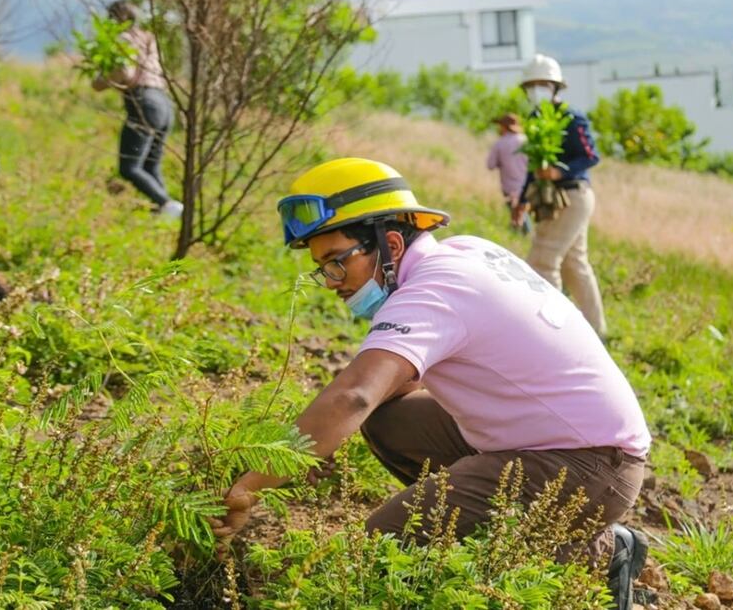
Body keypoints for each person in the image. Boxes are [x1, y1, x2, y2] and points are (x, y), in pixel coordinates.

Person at [212, 157, 652, 609]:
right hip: (562, 442)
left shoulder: (433, 291)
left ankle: (572, 548)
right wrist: (319, 444)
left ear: (392, 243)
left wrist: (251, 484)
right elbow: (377, 395)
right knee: (389, 421)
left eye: (337, 263)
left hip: (589, 466)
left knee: (376, 552)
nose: (331, 283)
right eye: (323, 269)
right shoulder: (465, 252)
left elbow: (355, 395)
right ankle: (596, 547)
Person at [513, 53, 607, 338]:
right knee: (574, 263)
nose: (537, 91)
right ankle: (595, 333)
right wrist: (523, 199)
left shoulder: (572, 117)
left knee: (543, 261)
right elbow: (533, 165)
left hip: (573, 196)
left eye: (544, 85)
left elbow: (591, 156)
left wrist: (559, 171)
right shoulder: (535, 119)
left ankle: (556, 336)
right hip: (552, 198)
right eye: (532, 86)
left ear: (556, 88)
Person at [92, 0, 182, 218]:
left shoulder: (124, 39)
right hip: (164, 103)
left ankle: (168, 205)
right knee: (151, 166)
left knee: (129, 167)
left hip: (144, 103)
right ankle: (166, 214)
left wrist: (100, 82)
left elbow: (126, 73)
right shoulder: (148, 38)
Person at [486, 112, 531, 234]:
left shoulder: (500, 143)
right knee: (523, 213)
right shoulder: (526, 141)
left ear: (504, 126)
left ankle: (521, 237)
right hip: (527, 184)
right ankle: (520, 238)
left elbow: (490, 165)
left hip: (509, 186)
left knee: (517, 217)